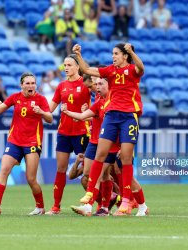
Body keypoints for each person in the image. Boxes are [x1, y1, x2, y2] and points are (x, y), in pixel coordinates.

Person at [73, 42, 144, 215]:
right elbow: (87, 70)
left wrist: (131, 52)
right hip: (111, 116)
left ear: (125, 55)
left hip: (128, 116)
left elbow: (141, 68)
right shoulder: (110, 70)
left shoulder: (133, 70)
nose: (113, 56)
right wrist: (78, 55)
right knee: (100, 154)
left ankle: (126, 200)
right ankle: (90, 193)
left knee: (126, 159)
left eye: (116, 54)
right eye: (112, 53)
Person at [63, 77, 148, 216]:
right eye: (96, 84)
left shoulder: (118, 102)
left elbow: (125, 124)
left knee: (129, 179)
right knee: (97, 174)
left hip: (120, 146)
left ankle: (142, 206)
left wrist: (122, 146)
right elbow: (85, 115)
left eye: (100, 84)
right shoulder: (99, 102)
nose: (97, 87)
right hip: (107, 146)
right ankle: (93, 206)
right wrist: (67, 112)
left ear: (110, 86)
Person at [0, 72, 53, 215]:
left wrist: (41, 112)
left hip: (33, 142)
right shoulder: (15, 97)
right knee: (4, 170)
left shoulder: (41, 99)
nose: (31, 86)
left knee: (31, 178)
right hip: (14, 141)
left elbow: (50, 119)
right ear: (21, 85)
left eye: (33, 83)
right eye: (27, 83)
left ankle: (40, 207)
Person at [45, 54, 91, 215]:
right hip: (64, 132)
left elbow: (100, 97)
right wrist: (36, 109)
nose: (66, 68)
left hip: (82, 133)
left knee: (89, 171)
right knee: (61, 168)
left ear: (78, 66)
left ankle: (96, 203)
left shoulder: (86, 83)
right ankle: (56, 207)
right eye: (64, 65)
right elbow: (50, 108)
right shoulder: (61, 85)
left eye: (69, 65)